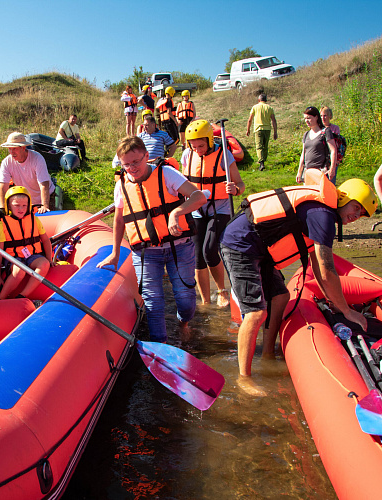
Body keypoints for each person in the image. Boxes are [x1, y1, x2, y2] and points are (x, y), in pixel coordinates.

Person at [220, 173, 377, 396]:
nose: (357, 215)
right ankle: (243, 378)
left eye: (362, 214)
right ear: (345, 198)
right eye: (356, 207)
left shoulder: (322, 214)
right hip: (240, 245)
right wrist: (347, 311)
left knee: (281, 296)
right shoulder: (322, 215)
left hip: (261, 250)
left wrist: (333, 300)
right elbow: (327, 270)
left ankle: (267, 355)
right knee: (255, 313)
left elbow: (319, 269)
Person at [97, 137, 207, 342]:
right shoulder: (121, 185)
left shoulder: (166, 174)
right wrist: (115, 253)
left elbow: (199, 197)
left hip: (179, 247)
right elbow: (120, 220)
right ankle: (160, 346)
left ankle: (183, 323)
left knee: (185, 299)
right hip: (146, 252)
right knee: (153, 302)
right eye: (126, 164)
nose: (131, 168)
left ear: (146, 157)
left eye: (136, 162)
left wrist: (176, 213)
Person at [181, 120, 245, 308]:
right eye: (194, 146)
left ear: (209, 140)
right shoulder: (187, 155)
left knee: (210, 249)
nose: (198, 150)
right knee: (197, 255)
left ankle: (221, 290)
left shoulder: (224, 155)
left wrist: (235, 189)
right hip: (196, 209)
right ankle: (205, 300)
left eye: (201, 145)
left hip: (220, 208)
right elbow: (182, 183)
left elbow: (240, 184)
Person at [0, 186, 53, 300]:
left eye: (24, 205)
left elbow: (45, 240)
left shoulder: (34, 219)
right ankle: (1, 298)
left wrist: (50, 259)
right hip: (13, 258)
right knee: (20, 270)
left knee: (44, 264)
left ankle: (22, 296)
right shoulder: (3, 224)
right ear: (9, 205)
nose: (21, 209)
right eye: (16, 205)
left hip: (33, 255)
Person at [0, 132, 55, 215]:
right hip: (26, 199)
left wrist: (44, 205)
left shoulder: (37, 158)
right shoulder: (6, 162)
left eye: (14, 148)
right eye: (9, 149)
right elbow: (3, 187)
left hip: (47, 195)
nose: (11, 152)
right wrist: (2, 208)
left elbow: (44, 184)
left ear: (23, 147)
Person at [296, 106, 337, 184]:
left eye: (309, 118)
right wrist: (299, 172)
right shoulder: (306, 134)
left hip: (321, 172)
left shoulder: (325, 132)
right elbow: (303, 154)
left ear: (316, 117)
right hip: (307, 172)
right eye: (305, 118)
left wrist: (332, 169)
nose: (306, 121)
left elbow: (333, 150)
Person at [246, 94, 278, 171]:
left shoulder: (255, 107)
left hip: (258, 129)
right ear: (266, 100)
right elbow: (273, 120)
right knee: (265, 145)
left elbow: (250, 119)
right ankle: (264, 159)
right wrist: (275, 132)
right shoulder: (270, 108)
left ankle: (261, 162)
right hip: (267, 129)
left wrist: (248, 129)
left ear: (258, 100)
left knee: (259, 146)